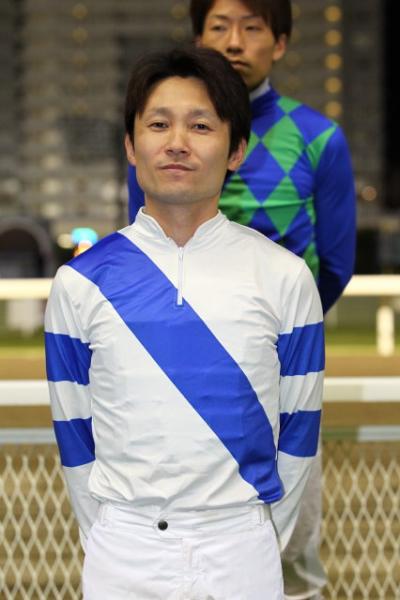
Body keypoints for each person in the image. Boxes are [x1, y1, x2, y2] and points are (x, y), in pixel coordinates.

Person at [45, 46, 324, 600]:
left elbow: (300, 431)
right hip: (123, 552)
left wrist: (260, 537)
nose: (177, 142)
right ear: (131, 145)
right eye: (158, 124)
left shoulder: (285, 277)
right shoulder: (79, 283)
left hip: (243, 550)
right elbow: (74, 432)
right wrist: (111, 535)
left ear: (236, 149)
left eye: (200, 125)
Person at [132, 2, 355, 598]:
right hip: (176, 358)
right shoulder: (159, 138)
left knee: (292, 540)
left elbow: (336, 263)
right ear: (197, 37)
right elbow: (140, 248)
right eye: (219, 27)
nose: (234, 42)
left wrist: (276, 329)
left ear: (279, 43)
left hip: (279, 362)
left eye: (252, 28)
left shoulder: (320, 138)